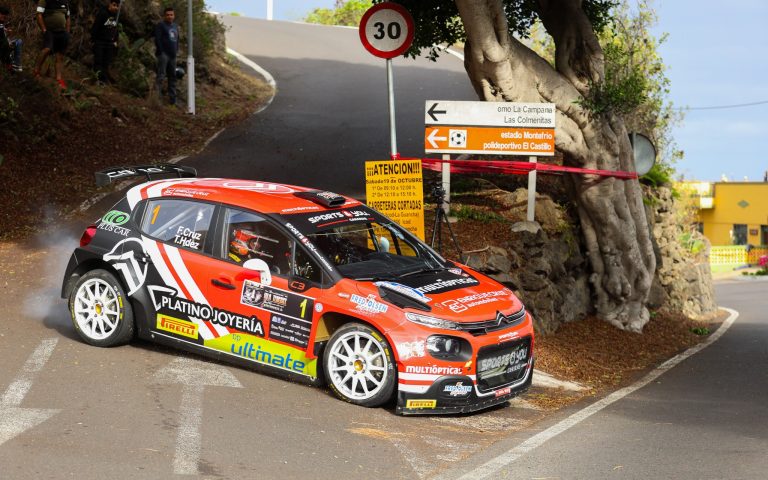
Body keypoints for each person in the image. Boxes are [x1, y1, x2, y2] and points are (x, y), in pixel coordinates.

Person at [33, 0, 70, 89]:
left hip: (62, 32)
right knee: (47, 49)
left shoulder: (65, 2)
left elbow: (68, 17)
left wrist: (67, 32)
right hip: (49, 31)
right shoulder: (44, 0)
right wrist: (44, 30)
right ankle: (36, 71)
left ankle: (59, 78)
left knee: (60, 55)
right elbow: (39, 14)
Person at [90, 0, 120, 84]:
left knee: (106, 62)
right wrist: (93, 39)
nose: (116, 8)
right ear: (110, 4)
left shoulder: (115, 16)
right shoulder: (103, 13)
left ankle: (103, 80)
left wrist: (115, 40)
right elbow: (96, 27)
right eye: (114, 5)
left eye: (117, 6)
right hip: (100, 41)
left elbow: (116, 30)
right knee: (98, 61)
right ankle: (97, 79)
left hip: (110, 43)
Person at [154, 6, 179, 105]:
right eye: (168, 15)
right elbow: (157, 39)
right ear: (164, 16)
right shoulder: (160, 25)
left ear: (174, 15)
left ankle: (173, 100)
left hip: (173, 56)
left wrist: (176, 50)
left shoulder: (175, 26)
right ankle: (157, 99)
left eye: (171, 15)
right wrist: (161, 52)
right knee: (161, 76)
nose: (169, 16)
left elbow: (177, 40)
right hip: (164, 55)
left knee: (172, 77)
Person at [0, 4, 22, 73]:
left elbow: (4, 34)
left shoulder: (3, 23)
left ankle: (16, 64)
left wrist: (7, 32)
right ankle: (8, 63)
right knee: (6, 44)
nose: (4, 16)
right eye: (2, 14)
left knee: (19, 41)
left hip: (4, 44)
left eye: (5, 14)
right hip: (2, 45)